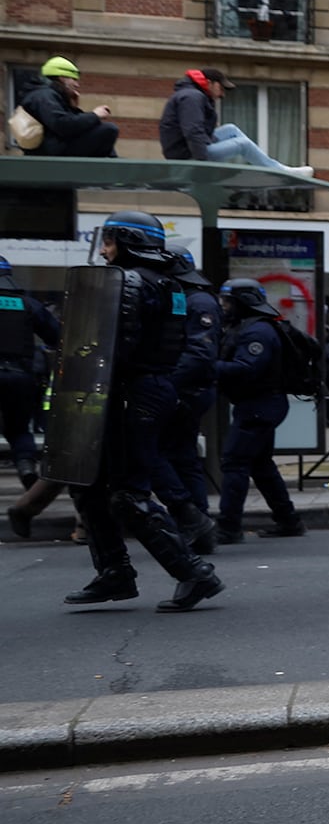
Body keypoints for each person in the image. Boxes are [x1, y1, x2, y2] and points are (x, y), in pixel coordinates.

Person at [62, 212, 223, 611]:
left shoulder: (130, 281)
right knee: (87, 482)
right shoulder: (170, 283)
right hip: (147, 390)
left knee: (128, 494)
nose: (103, 250)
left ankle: (194, 573)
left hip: (133, 392)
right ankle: (114, 572)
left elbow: (115, 345)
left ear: (129, 241)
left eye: (110, 241)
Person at [210, 279, 308, 544]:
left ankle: (228, 527)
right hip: (259, 405)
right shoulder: (251, 327)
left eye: (229, 302)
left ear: (244, 302)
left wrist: (208, 367)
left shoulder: (258, 332)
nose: (224, 307)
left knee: (234, 462)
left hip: (259, 406)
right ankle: (288, 520)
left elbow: (247, 369)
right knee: (260, 465)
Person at [149, 244, 221, 554]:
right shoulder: (183, 297)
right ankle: (196, 522)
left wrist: (166, 384)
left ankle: (194, 519)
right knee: (182, 455)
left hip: (188, 391)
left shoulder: (198, 301)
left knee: (162, 454)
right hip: (183, 389)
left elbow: (199, 352)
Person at [157, 67, 313, 175]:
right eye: (221, 88)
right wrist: (203, 164)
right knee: (242, 145)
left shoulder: (193, 95)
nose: (222, 94)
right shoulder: (192, 97)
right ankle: (278, 170)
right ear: (210, 83)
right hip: (188, 155)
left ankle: (273, 164)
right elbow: (192, 130)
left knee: (230, 129)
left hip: (190, 148)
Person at [0, 254, 62, 486]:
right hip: (20, 376)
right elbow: (56, 336)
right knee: (19, 429)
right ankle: (26, 467)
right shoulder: (27, 304)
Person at [19, 57, 120, 157]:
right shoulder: (44, 95)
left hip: (53, 147)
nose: (77, 85)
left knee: (102, 130)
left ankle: (112, 162)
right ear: (63, 78)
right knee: (109, 129)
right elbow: (62, 125)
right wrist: (94, 115)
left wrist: (73, 107)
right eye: (74, 79)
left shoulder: (46, 95)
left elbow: (66, 123)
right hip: (50, 150)